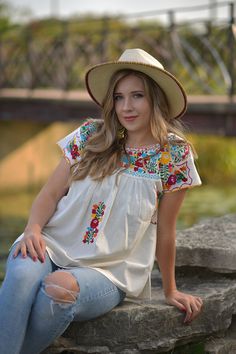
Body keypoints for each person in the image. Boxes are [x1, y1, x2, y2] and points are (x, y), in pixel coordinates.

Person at [0, 48, 203, 354]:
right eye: (119, 97)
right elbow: (50, 194)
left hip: (111, 270)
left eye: (137, 96)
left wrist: (170, 289)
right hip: (52, 244)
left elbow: (166, 231)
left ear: (156, 99)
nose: (126, 107)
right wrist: (32, 229)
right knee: (21, 272)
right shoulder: (90, 137)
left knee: (57, 290)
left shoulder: (173, 156)